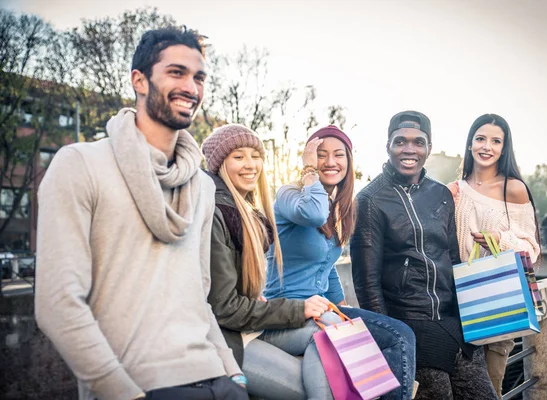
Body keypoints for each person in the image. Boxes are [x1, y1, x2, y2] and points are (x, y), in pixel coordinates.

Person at [35, 28, 247, 400]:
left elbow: (197, 293)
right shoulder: (80, 165)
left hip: (219, 381)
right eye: (176, 72)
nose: (192, 87)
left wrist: (231, 371)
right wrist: (122, 392)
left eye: (199, 77)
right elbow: (57, 304)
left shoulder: (202, 185)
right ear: (139, 80)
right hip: (140, 385)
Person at [351, 111, 497, 399]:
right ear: (388, 147)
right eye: (400, 142)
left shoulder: (440, 194)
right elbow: (367, 282)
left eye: (418, 142)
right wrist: (390, 338)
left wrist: (465, 316)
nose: (409, 149)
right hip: (410, 327)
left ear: (428, 148)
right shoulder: (370, 199)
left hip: (453, 325)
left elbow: (452, 260)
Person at [264, 125, 417, 400]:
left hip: (324, 308)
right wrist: (309, 172)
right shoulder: (288, 195)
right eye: (321, 155)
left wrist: (343, 304)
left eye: (338, 155)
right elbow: (312, 214)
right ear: (308, 159)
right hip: (283, 312)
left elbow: (327, 264)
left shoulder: (339, 208)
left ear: (348, 161)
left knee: (400, 335)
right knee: (333, 337)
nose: (330, 162)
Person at [202, 123, 334, 400]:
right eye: (238, 157)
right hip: (223, 338)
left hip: (247, 326)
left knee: (330, 328)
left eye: (255, 155)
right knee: (320, 384)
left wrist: (254, 296)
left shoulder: (244, 211)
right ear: (219, 165)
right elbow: (224, 309)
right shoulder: (218, 213)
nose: (251, 165)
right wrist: (298, 309)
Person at [447, 113, 541, 397]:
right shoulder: (454, 190)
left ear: (504, 147)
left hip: (499, 300)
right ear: (470, 143)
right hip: (457, 301)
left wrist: (500, 240)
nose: (486, 146)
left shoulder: (512, 188)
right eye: (480, 139)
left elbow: (531, 249)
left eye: (495, 141)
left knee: (489, 387)